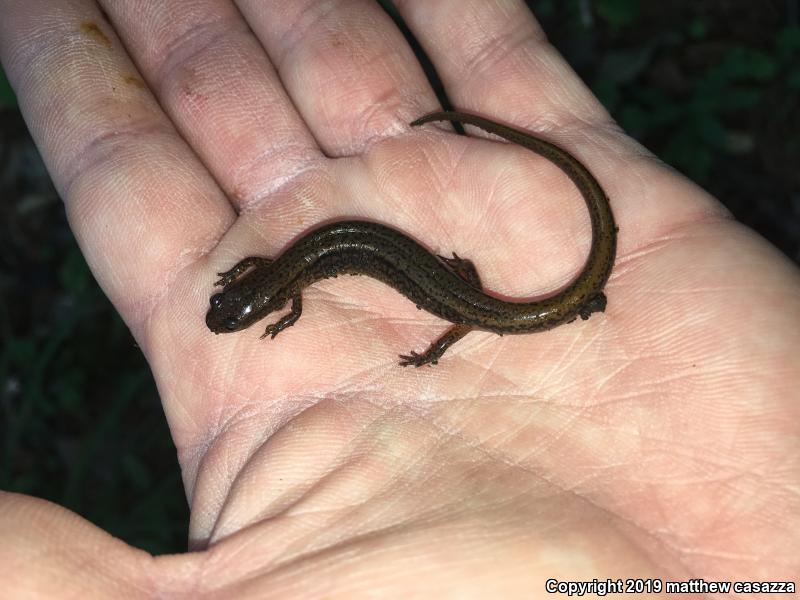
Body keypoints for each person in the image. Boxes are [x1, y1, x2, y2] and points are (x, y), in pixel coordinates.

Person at [1, 1, 797, 596]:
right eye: (236, 309)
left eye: (235, 307)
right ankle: (522, 291)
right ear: (249, 293)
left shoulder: (288, 284)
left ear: (249, 296)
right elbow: (281, 289)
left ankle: (516, 297)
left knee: (463, 308)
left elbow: (288, 294)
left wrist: (432, 343)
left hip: (456, 297)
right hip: (452, 287)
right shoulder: (282, 279)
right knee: (466, 298)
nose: (232, 309)